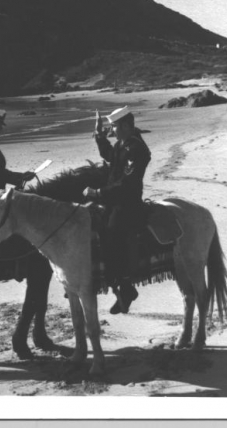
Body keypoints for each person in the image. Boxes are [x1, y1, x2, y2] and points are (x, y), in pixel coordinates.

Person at [82, 106, 151, 315]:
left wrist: (97, 193)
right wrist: (99, 135)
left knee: (112, 235)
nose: (112, 131)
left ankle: (126, 286)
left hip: (127, 203)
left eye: (114, 127)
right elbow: (111, 156)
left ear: (127, 126)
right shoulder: (124, 143)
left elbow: (128, 184)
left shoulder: (135, 148)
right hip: (114, 200)